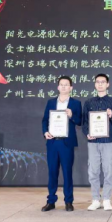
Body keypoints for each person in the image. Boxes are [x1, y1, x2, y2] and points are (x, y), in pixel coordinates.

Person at [41, 76, 82, 212]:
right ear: (58, 87)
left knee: (67, 172)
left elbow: (79, 121)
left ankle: (68, 201)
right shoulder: (51, 102)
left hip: (66, 143)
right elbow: (45, 120)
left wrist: (71, 116)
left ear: (71, 88)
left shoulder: (76, 103)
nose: (64, 87)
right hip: (53, 142)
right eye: (61, 84)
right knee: (52, 172)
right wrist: (45, 132)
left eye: (66, 85)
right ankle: (51, 201)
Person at [82, 73, 112, 211]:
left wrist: (111, 116)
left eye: (103, 82)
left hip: (108, 141)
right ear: (95, 84)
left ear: (107, 84)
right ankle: (95, 199)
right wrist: (87, 133)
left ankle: (106, 199)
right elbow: (84, 122)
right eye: (98, 82)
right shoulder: (88, 102)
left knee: (108, 170)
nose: (100, 84)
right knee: (93, 171)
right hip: (93, 142)